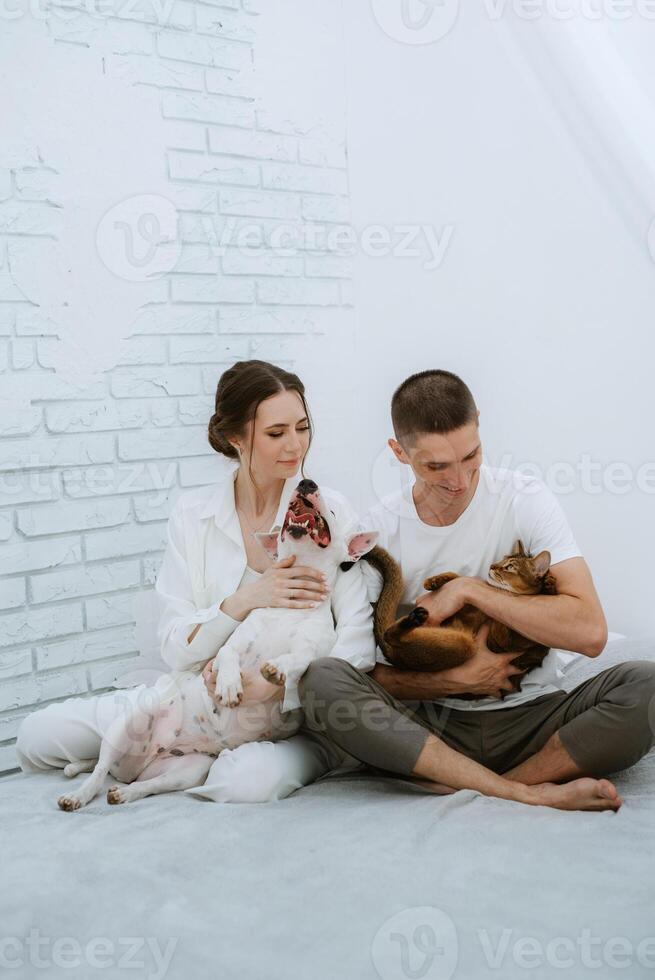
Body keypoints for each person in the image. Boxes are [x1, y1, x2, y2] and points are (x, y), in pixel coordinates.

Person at [15, 360, 376, 802]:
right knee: (35, 736)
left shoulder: (328, 516)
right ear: (235, 438)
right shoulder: (193, 514)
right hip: (190, 701)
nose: (296, 445)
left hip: (290, 722)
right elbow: (174, 644)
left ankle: (179, 763)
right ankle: (140, 753)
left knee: (242, 782)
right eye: (276, 433)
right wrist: (245, 600)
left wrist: (283, 686)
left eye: (302, 427)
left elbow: (356, 648)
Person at [299, 369, 655, 811]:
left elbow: (590, 632)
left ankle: (485, 782)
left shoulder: (524, 498)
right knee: (320, 681)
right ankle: (521, 792)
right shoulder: (379, 530)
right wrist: (455, 680)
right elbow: (361, 668)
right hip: (432, 727)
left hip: (537, 719)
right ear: (399, 452)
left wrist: (471, 591)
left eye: (471, 455)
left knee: (648, 685)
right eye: (436, 466)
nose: (460, 480)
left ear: (480, 425)